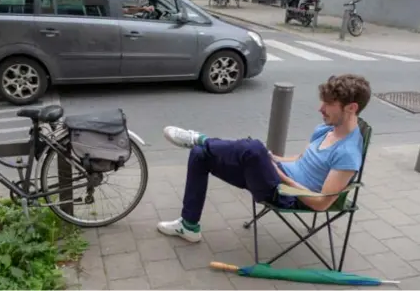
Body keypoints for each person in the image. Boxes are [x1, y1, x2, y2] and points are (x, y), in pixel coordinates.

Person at [156, 74, 371, 243]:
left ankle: (200, 138)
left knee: (254, 148)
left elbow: (321, 203)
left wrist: (278, 174)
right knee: (201, 155)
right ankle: (189, 226)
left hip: (287, 194)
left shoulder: (348, 154)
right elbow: (302, 159)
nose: (320, 109)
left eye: (328, 104)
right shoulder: (325, 129)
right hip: (277, 175)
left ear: (351, 108)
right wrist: (275, 159)